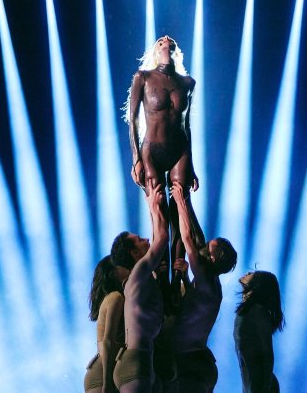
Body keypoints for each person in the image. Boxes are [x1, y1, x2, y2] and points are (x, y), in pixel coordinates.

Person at [126, 36, 203, 303]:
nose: (165, 42)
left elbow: (187, 125)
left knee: (180, 209)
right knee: (158, 211)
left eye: (169, 42)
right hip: (152, 152)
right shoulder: (143, 77)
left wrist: (191, 164)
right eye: (160, 42)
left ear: (175, 50)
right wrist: (136, 158)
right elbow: (133, 120)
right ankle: (159, 279)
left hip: (179, 149)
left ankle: (178, 278)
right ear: (155, 50)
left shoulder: (187, 83)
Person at [170, 181, 238, 393]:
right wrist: (183, 277)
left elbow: (190, 239)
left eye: (208, 247)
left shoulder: (207, 279)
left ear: (212, 259)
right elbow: (198, 238)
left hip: (189, 362)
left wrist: (181, 201)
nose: (204, 244)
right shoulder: (209, 283)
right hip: (196, 359)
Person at [110, 184, 169, 393]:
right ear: (134, 254)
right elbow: (161, 239)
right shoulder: (138, 273)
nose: (146, 240)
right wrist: (153, 204)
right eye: (139, 240)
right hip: (135, 363)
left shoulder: (141, 277)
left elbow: (156, 240)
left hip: (139, 361)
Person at [234, 271, 284, 393]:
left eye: (254, 274)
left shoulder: (258, 311)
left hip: (260, 384)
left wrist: (265, 387)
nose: (249, 272)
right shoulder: (248, 307)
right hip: (250, 380)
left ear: (258, 284)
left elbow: (268, 354)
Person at [84, 256, 129, 393]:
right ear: (113, 273)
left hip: (103, 371)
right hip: (102, 375)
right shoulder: (116, 297)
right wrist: (107, 382)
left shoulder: (112, 298)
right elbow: (108, 341)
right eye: (122, 265)